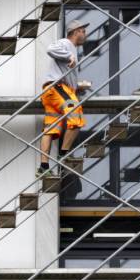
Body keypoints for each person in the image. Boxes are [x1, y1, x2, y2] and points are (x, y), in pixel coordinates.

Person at [37, 19, 91, 177]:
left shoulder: (72, 49)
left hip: (52, 92)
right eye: (83, 31)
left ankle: (43, 166)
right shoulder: (67, 44)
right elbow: (50, 48)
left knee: (50, 129)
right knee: (76, 118)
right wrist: (69, 56)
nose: (85, 34)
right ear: (75, 32)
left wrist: (77, 87)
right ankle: (63, 154)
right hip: (57, 88)